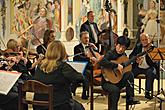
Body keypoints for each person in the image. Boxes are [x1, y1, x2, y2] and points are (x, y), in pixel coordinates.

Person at [34, 40, 85, 110]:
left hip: (39, 105)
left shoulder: (40, 66)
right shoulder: (63, 66)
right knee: (80, 107)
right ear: (63, 52)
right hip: (59, 105)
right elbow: (80, 78)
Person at [99, 36, 140, 110]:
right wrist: (116, 65)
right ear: (116, 44)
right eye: (120, 46)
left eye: (124, 48)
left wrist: (136, 63)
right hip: (107, 83)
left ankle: (130, 98)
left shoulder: (124, 56)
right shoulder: (110, 53)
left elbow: (128, 68)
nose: (121, 49)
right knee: (115, 90)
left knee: (130, 74)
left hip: (118, 80)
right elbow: (102, 62)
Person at [129, 33, 159, 99]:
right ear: (140, 40)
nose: (145, 41)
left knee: (150, 73)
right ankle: (130, 93)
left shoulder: (153, 48)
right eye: (143, 40)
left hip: (149, 67)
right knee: (129, 74)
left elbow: (156, 63)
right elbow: (131, 56)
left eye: (146, 39)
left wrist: (151, 57)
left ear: (149, 39)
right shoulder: (138, 46)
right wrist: (136, 59)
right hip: (139, 67)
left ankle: (147, 92)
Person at [72, 31, 98, 99]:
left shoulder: (90, 47)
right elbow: (78, 58)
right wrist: (89, 58)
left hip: (90, 66)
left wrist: (95, 48)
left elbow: (97, 56)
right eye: (85, 38)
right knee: (87, 75)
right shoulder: (77, 48)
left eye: (88, 38)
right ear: (81, 39)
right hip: (81, 67)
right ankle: (85, 94)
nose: (87, 40)